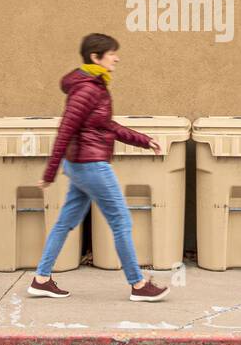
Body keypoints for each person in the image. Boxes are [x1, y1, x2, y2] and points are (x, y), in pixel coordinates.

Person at [29, 33, 171, 302]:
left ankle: (41, 279)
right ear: (95, 57)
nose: (116, 58)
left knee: (65, 223)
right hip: (91, 165)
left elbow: (108, 126)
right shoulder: (87, 89)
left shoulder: (95, 86)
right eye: (111, 54)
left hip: (81, 165)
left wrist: (144, 140)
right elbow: (65, 131)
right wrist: (49, 173)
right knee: (121, 221)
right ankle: (138, 284)